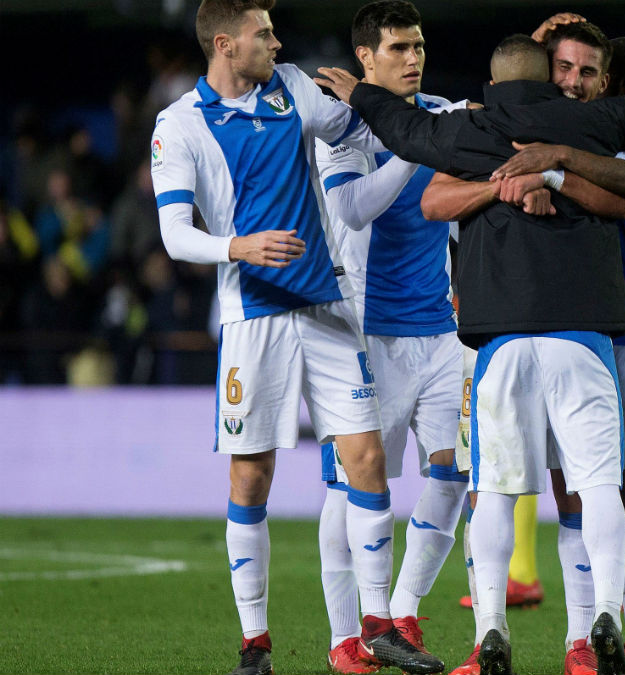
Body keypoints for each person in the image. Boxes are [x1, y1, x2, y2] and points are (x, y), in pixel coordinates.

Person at [315, 33, 625, 675]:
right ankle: (606, 610)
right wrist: (562, 165)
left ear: (493, 86)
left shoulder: (472, 128)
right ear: (552, 79)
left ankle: (491, 626)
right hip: (583, 335)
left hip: (497, 340)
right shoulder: (597, 122)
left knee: (493, 491)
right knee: (598, 483)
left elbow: (407, 133)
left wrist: (364, 95)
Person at [149, 2, 443, 674]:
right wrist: (238, 245)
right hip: (255, 319)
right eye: (264, 35)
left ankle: (377, 628)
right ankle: (255, 644)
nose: (277, 44)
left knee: (366, 460)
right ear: (226, 45)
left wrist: (366, 94)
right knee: (252, 476)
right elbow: (174, 233)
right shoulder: (180, 126)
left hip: (328, 308)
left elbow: (352, 126)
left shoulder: (293, 87)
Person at [489, 35, 625, 675]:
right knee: (608, 496)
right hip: (598, 337)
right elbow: (517, 88)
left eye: (596, 77)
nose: (581, 87)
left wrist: (558, 159)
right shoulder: (583, 137)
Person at [312, 2, 469, 673]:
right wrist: (415, 141)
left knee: (454, 473)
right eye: (399, 48)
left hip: (440, 331)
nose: (414, 58)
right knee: (351, 488)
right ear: (366, 59)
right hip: (361, 333)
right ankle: (345, 637)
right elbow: (352, 205)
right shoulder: (343, 124)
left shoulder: (442, 110)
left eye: (420, 46)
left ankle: (399, 613)